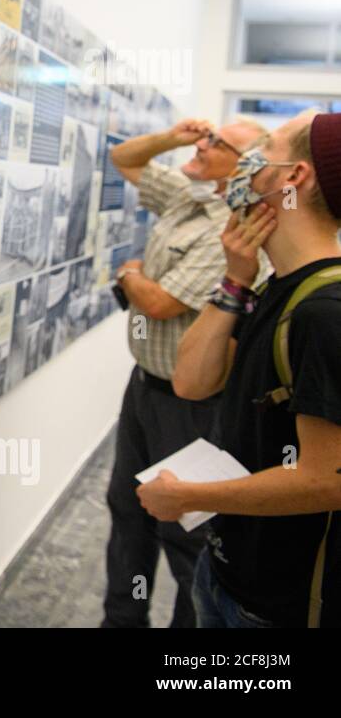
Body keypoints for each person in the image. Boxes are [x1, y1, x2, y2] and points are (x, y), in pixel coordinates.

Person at [139, 111, 341, 628]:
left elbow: (326, 480)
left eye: (268, 144)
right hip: (230, 570)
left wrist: (188, 497)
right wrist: (235, 281)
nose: (245, 163)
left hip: (281, 605)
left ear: (293, 177)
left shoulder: (325, 312)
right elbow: (192, 381)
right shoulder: (278, 284)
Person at [99, 115, 268, 628]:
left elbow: (159, 303)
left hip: (191, 403)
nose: (206, 142)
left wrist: (129, 272)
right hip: (145, 386)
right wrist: (176, 139)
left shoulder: (234, 230)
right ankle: (122, 620)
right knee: (127, 509)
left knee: (184, 530)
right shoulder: (186, 194)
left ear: (245, 171)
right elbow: (124, 158)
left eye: (219, 143)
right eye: (209, 133)